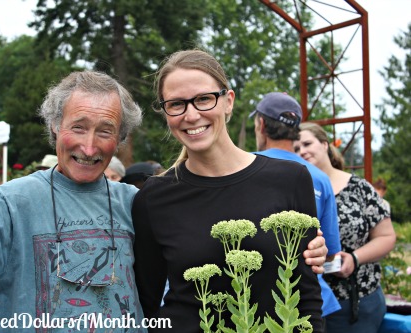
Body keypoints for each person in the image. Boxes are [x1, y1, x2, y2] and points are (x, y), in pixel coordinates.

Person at [0, 71, 146, 332]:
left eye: (105, 132)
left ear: (120, 138)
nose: (88, 147)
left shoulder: (134, 204)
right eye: (78, 127)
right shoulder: (12, 202)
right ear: (55, 124)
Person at [132, 49, 327, 332]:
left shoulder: (290, 178)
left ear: (228, 101)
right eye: (176, 104)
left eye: (203, 99)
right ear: (165, 112)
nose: (191, 114)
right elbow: (146, 304)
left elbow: (306, 297)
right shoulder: (154, 197)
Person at [294, 122, 396, 333]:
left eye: (307, 143)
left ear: (324, 144)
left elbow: (386, 236)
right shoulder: (292, 189)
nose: (302, 151)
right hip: (305, 303)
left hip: (355, 301)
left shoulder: (359, 188)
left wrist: (355, 258)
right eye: (295, 148)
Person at [251, 92, 342, 319]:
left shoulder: (243, 168)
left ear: (261, 125)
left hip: (254, 303)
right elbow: (330, 253)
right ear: (296, 130)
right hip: (310, 301)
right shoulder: (320, 178)